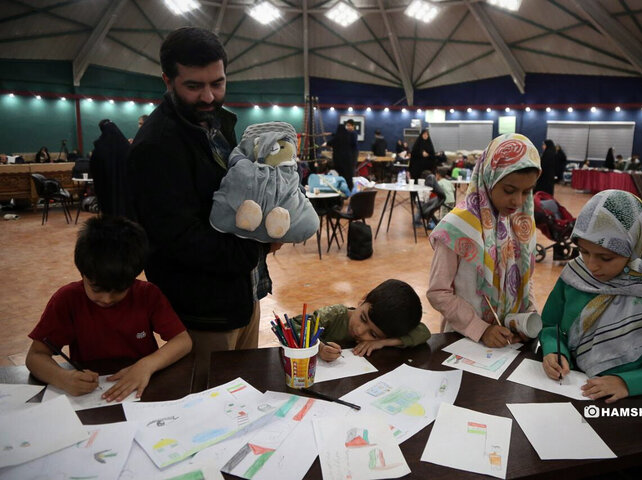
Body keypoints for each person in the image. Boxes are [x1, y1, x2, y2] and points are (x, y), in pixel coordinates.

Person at [128, 26, 274, 391]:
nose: (209, 96)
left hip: (244, 293)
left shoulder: (216, 124)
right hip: (203, 313)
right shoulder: (156, 146)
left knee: (243, 397)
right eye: (194, 86)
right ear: (168, 80)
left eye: (218, 83)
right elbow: (181, 239)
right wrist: (257, 245)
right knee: (210, 411)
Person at [540, 190, 642, 403]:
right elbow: (552, 326)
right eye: (584, 252)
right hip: (570, 388)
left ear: (636, 248)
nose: (592, 266)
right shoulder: (576, 275)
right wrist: (553, 351)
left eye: (606, 257)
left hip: (627, 405)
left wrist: (629, 382)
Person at [25, 216, 192, 401]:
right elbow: (35, 356)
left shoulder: (147, 295)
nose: (106, 299)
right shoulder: (67, 300)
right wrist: (63, 378)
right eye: (97, 289)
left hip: (140, 390)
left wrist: (147, 365)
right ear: (83, 273)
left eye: (119, 290)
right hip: (90, 395)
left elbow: (183, 341)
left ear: (134, 277)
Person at [427, 134, 541, 348]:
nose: (518, 201)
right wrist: (480, 329)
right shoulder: (457, 227)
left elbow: (525, 276)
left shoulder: (518, 222)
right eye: (509, 190)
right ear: (489, 178)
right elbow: (438, 292)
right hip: (464, 341)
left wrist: (527, 319)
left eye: (527, 192)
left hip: (510, 340)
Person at [290, 279, 429, 362]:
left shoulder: (386, 330)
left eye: (373, 334)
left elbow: (423, 332)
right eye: (363, 318)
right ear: (363, 299)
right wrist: (318, 348)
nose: (360, 331)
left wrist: (382, 342)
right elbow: (292, 326)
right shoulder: (334, 316)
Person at [91, 119, 131, 218]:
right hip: (126, 190)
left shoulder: (99, 148)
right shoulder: (126, 146)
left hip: (107, 190)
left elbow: (95, 170)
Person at [327, 119, 358, 189]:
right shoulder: (347, 135)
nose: (348, 127)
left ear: (353, 126)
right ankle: (348, 188)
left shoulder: (352, 134)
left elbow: (333, 140)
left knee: (344, 173)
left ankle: (342, 187)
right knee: (348, 173)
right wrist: (331, 134)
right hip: (348, 157)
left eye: (349, 125)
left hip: (347, 157)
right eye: (347, 126)